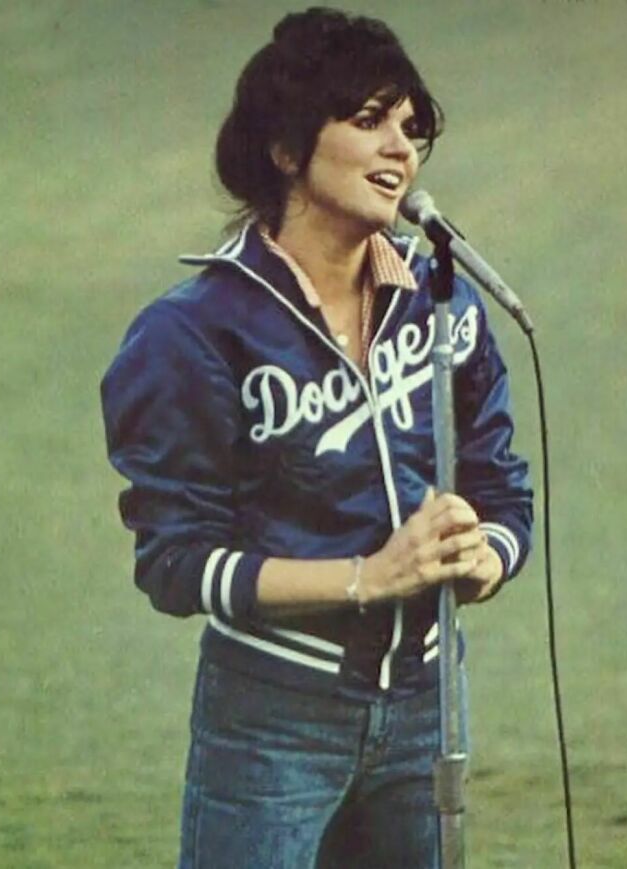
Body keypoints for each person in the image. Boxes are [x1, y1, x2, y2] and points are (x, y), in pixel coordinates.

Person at [101, 8, 533, 868]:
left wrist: (486, 554)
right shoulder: (192, 334)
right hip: (273, 717)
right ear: (286, 149)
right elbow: (177, 563)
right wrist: (371, 578)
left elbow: (502, 489)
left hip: (428, 704)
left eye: (410, 127)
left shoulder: (444, 304)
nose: (399, 149)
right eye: (367, 120)